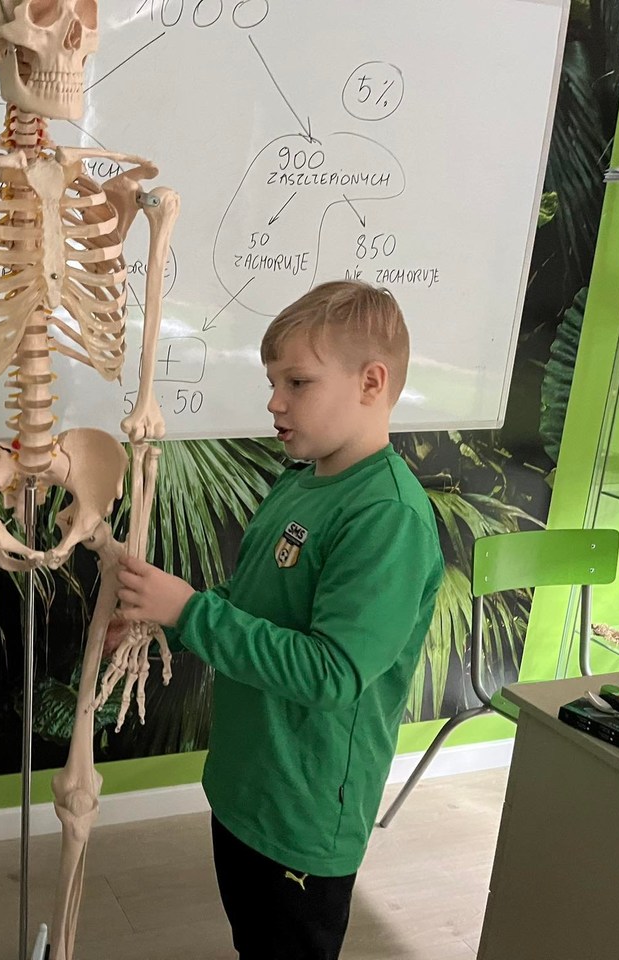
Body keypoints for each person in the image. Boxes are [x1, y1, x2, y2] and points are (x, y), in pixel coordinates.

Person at [114, 280, 445, 960]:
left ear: (371, 382)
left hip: (304, 815)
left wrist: (190, 610)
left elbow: (332, 673)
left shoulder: (387, 517)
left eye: (297, 382)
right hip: (246, 788)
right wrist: (165, 621)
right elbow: (253, 600)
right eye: (273, 382)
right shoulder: (301, 481)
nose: (274, 401)